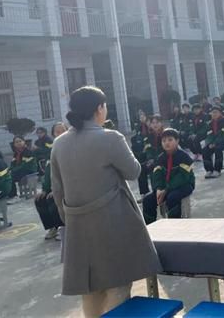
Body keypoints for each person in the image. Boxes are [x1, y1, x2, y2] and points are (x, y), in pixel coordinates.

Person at [51, 86, 160, 316]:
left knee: (90, 289)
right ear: (99, 108)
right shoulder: (110, 138)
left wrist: (72, 218)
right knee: (117, 286)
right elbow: (133, 171)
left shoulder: (59, 143)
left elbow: (57, 190)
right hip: (113, 221)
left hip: (78, 225)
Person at [143, 128, 195, 223]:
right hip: (165, 188)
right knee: (147, 199)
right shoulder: (160, 158)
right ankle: (150, 227)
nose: (167, 143)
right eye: (164, 141)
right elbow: (157, 175)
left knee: (172, 197)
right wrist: (158, 188)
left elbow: (182, 178)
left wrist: (166, 189)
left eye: (170, 140)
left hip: (184, 185)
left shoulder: (184, 157)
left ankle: (174, 224)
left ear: (177, 140)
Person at [34, 122, 67, 240]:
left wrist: (58, 190)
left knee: (53, 201)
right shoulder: (52, 150)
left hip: (67, 187)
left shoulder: (70, 148)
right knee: (40, 200)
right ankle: (52, 227)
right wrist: (45, 189)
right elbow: (49, 173)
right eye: (57, 132)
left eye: (63, 130)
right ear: (53, 134)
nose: (60, 133)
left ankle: (63, 228)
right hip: (55, 187)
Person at [202, 106, 224, 178]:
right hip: (213, 143)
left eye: (216, 112)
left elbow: (223, 134)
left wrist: (215, 143)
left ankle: (217, 170)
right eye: (213, 112)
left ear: (220, 113)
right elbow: (209, 135)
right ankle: (209, 170)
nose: (214, 114)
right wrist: (209, 143)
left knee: (218, 149)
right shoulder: (210, 123)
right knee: (205, 150)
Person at [140, 115, 165, 194]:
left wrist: (155, 160)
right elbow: (148, 149)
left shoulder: (166, 134)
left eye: (157, 122)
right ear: (150, 124)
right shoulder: (148, 137)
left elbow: (167, 150)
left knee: (153, 167)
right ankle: (145, 192)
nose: (155, 124)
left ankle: (157, 190)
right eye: (153, 123)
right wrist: (150, 158)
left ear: (161, 123)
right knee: (140, 168)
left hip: (164, 159)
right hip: (153, 159)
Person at [8, 135, 37, 200]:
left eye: (20, 141)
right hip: (20, 171)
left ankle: (13, 195)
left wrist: (13, 170)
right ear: (14, 144)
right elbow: (12, 164)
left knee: (10, 177)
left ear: (24, 142)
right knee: (7, 176)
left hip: (29, 170)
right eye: (16, 142)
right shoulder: (16, 153)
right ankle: (11, 194)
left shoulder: (28, 151)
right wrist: (9, 170)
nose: (18, 143)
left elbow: (24, 165)